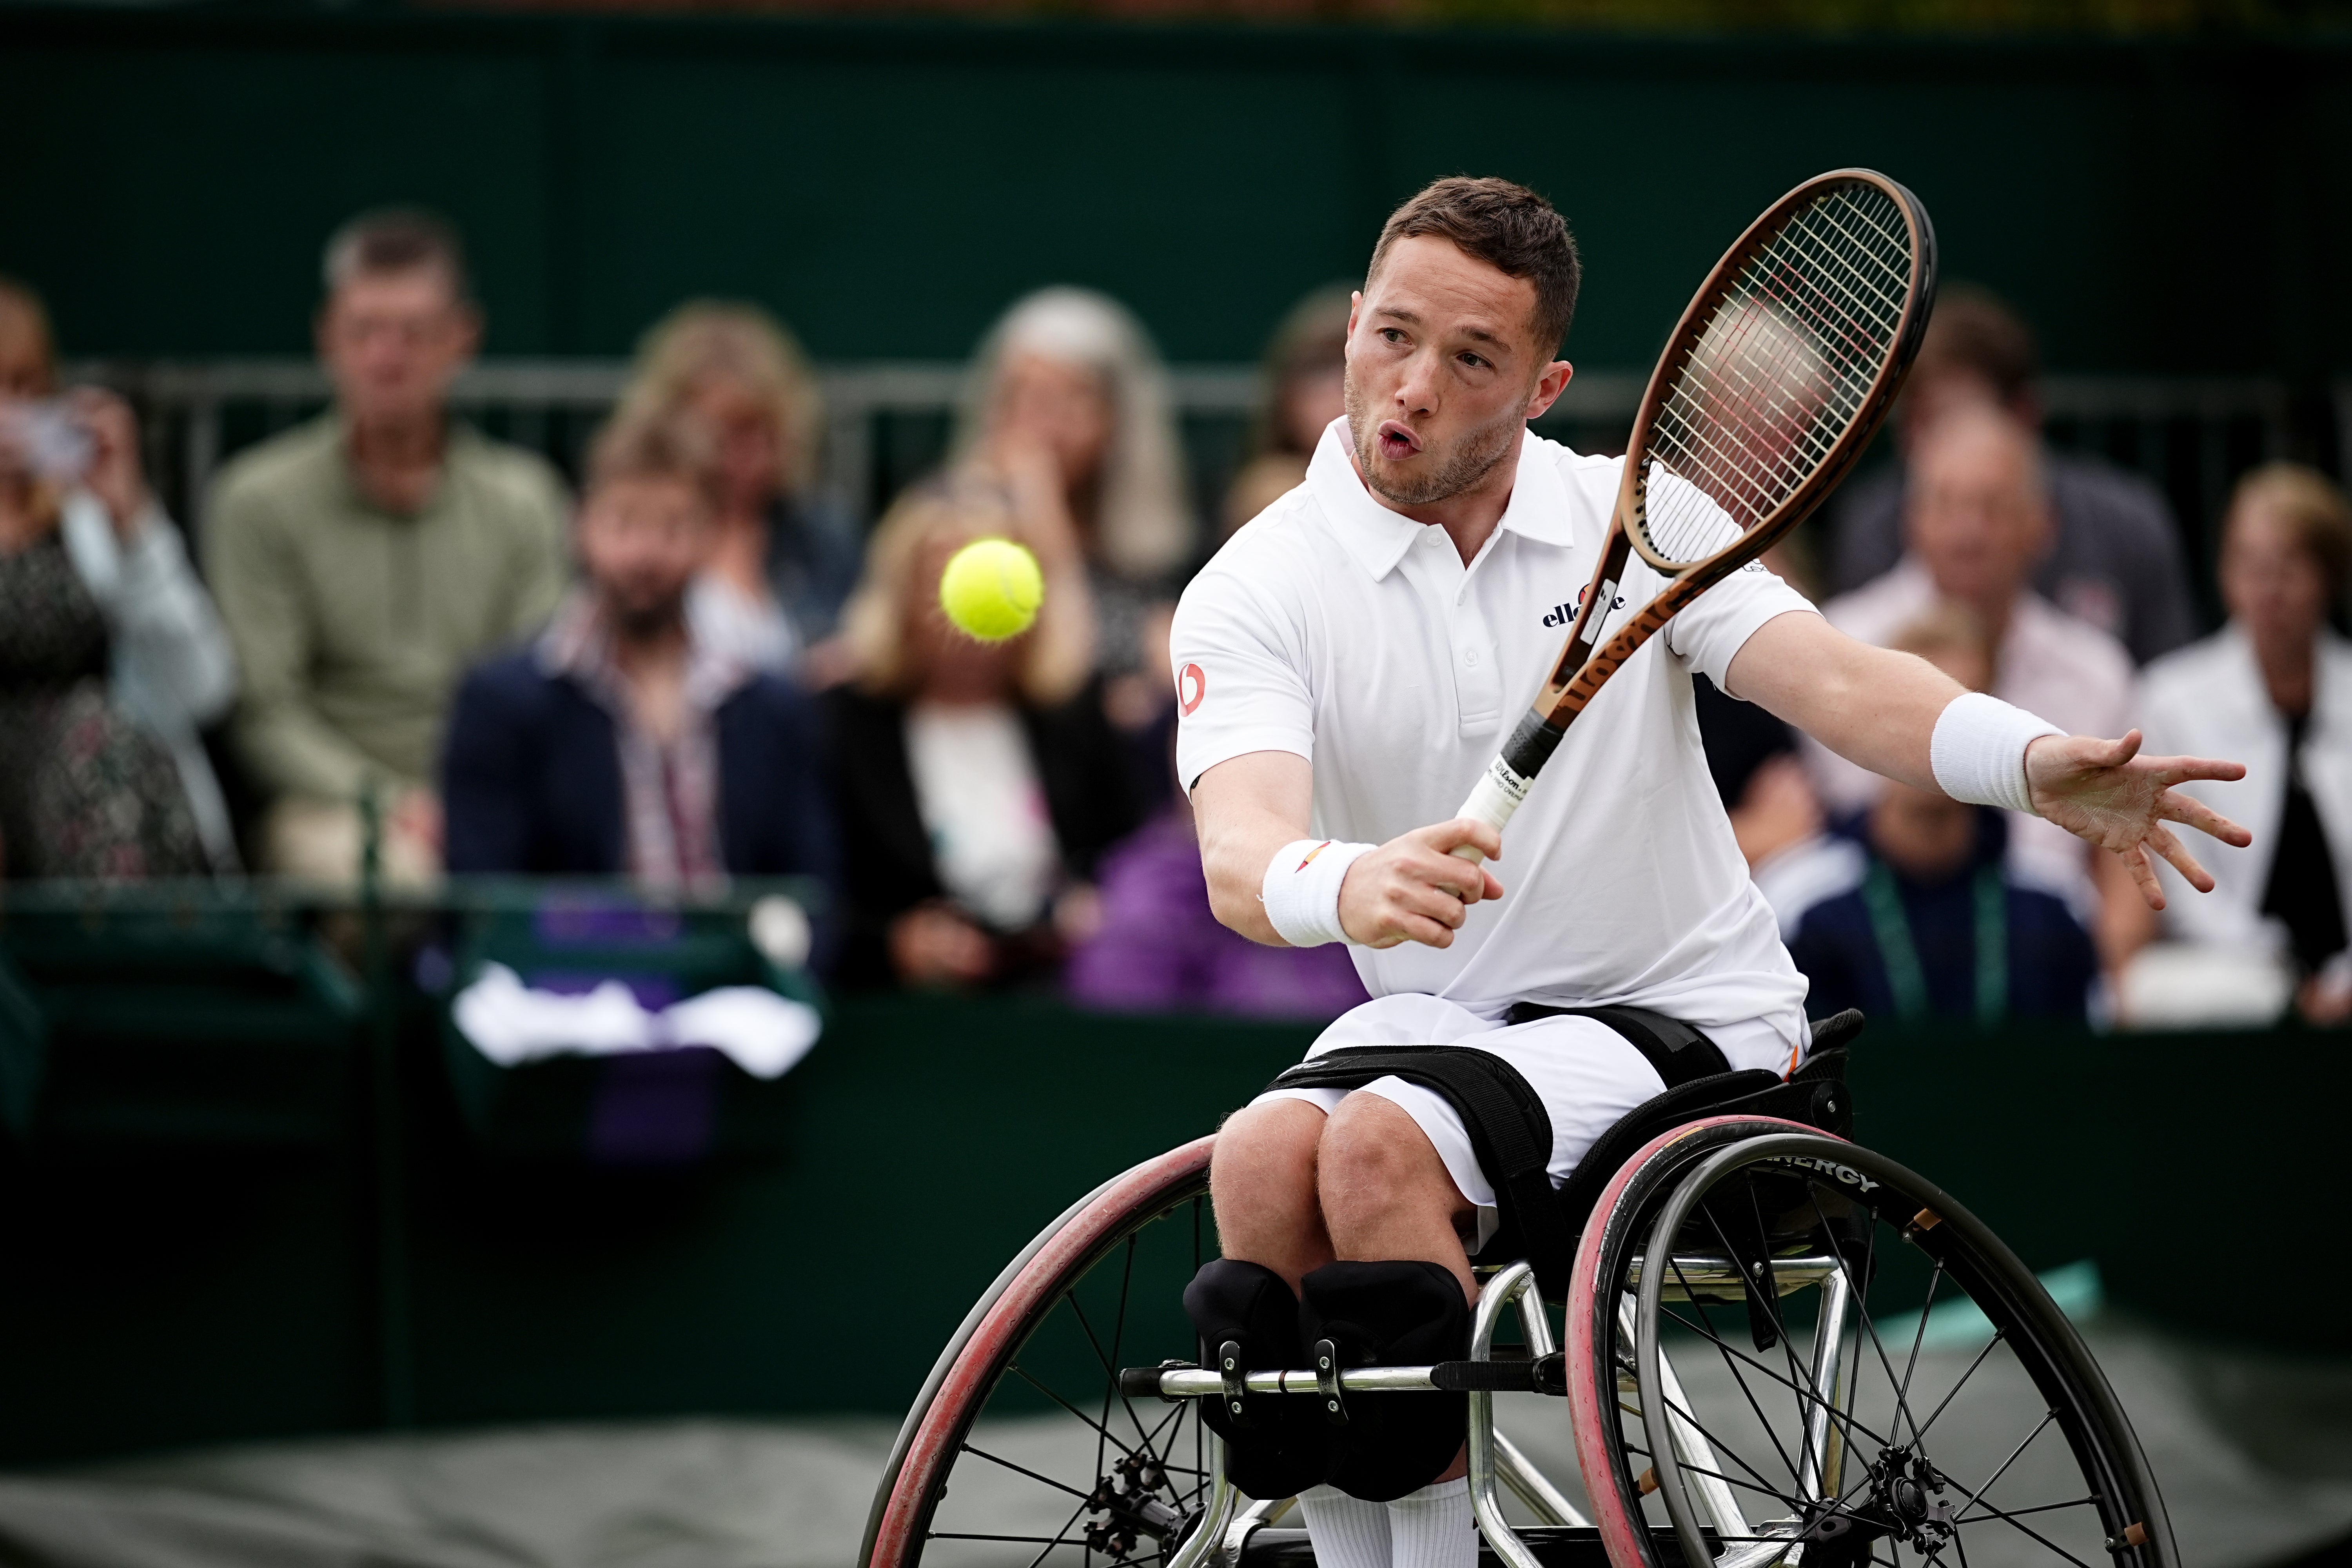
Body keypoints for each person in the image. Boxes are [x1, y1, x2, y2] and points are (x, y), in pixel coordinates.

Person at [1168, 176, 2244, 1568]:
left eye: (1471, 357)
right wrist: (1345, 882)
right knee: (1258, 1155)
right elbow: (1242, 853)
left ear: (1541, 383)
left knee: (1376, 1144)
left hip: (1683, 1022)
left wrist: (2031, 762)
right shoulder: (1257, 582)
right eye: (1390, 335)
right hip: (1448, 1023)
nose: (1412, 384)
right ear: (1353, 332)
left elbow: (1843, 684)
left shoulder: (1641, 518)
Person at [207, 209, 570, 886]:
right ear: (327, 337)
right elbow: (265, 711)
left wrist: (469, 798)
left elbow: (538, 686)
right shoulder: (254, 499)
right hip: (330, 809)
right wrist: (386, 801)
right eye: (365, 330)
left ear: (463, 339)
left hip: (495, 795)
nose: (387, 357)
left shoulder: (528, 500)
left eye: (414, 333)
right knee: (408, 884)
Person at [440, 413, 836, 894]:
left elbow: (811, 885)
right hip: (564, 964)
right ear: (580, 526)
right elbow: (485, 891)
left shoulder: (772, 704)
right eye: (624, 522)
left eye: (673, 526)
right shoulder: (501, 701)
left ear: (711, 534)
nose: (645, 554)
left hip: (735, 966)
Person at [1812, 404, 2139, 952]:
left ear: (2043, 526)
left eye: (1992, 508)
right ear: (1910, 519)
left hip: (2045, 956)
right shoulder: (1835, 644)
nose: (1969, 532)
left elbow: (2125, 859)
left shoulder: (2099, 672)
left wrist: (2102, 972)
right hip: (1866, 948)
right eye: (1946, 504)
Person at [826, 477, 1138, 991]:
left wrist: (1096, 908)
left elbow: (1125, 855)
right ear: (903, 598)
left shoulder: (1074, 716)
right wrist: (897, 941)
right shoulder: (846, 724)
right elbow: (827, 897)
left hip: (1062, 994)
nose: (964, 624)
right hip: (913, 1010)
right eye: (940, 585)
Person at [0, 278, 238, 879]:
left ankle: (130, 961)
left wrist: (132, 521)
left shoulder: (90, 518)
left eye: (23, 386)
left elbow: (200, 689)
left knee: (92, 734)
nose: (7, 412)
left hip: (105, 794)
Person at [1826, 285, 2196, 664]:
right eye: (1913, 422)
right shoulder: (1871, 524)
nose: (1967, 535)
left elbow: (2167, 684)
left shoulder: (2127, 524)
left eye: (1953, 416)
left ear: (2025, 413)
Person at [1769, 607, 2100, 1025]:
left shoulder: (2056, 903)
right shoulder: (1797, 902)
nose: (1931, 741)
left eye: (1960, 719)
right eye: (1906, 715)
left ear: (1993, 733)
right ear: (1866, 722)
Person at [2133, 465, 2352, 1025]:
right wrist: (2281, 976)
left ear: (2328, 575)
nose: (2269, 589)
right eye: (2250, 565)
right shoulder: (2170, 698)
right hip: (2234, 979)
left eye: (2288, 566)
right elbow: (2181, 875)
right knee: (2144, 991)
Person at [614, 301, 861, 676]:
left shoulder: (823, 536)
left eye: (763, 432)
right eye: (723, 433)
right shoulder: (622, 536)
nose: (747, 454)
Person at [1222, 284, 1354, 542]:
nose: (1342, 388)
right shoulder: (1269, 493)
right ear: (1285, 394)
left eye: (1352, 365)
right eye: (1320, 371)